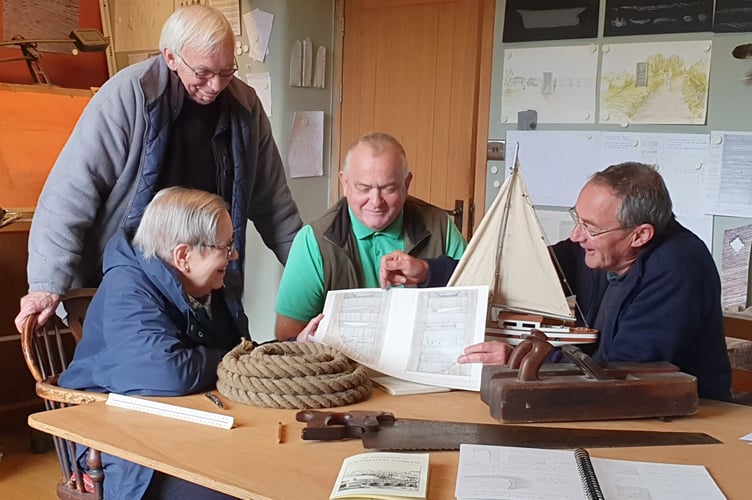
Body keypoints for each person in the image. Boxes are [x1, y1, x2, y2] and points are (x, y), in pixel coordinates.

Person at [14, 5, 301, 333]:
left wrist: (311, 277)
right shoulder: (126, 98)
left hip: (205, 285)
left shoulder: (245, 108)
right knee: (159, 374)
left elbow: (276, 207)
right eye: (204, 73)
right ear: (171, 57)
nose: (215, 85)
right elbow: (69, 195)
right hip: (123, 284)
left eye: (227, 72)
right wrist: (46, 283)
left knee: (213, 372)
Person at [382, 162, 732, 401]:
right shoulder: (594, 250)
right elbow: (524, 268)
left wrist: (518, 359)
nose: (577, 236)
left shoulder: (680, 268)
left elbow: (620, 372)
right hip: (606, 401)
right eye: (576, 219)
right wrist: (429, 272)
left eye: (591, 227)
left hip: (685, 418)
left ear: (640, 235)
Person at [57, 187, 316, 499]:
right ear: (183, 255)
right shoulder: (126, 290)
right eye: (226, 246)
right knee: (239, 489)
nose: (233, 256)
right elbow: (169, 373)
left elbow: (239, 351)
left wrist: (292, 346)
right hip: (118, 444)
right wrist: (233, 363)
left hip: (179, 424)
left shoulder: (210, 288)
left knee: (285, 466)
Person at [274, 132, 467, 341]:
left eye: (388, 189)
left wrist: (429, 272)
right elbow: (287, 337)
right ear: (344, 184)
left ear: (406, 184)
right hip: (341, 369)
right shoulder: (313, 241)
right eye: (363, 188)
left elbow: (480, 293)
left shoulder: (440, 226)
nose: (376, 202)